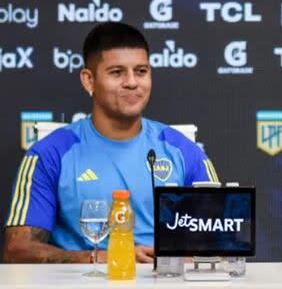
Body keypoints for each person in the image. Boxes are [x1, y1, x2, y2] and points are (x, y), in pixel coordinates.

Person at [3, 22, 219, 263]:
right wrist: (108, 258)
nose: (132, 82)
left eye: (141, 71)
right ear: (89, 80)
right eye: (117, 72)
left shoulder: (184, 151)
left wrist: (174, 259)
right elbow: (18, 249)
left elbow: (222, 240)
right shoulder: (49, 153)